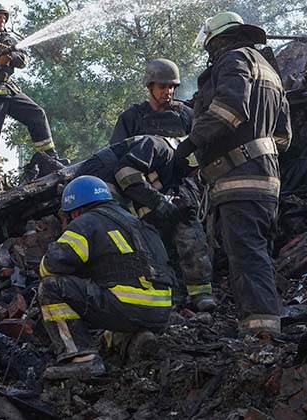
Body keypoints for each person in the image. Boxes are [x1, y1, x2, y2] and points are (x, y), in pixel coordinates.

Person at [174, 12, 292, 336]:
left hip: (240, 181)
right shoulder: (269, 70)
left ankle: (261, 335)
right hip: (267, 180)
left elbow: (230, 110)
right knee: (257, 254)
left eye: (211, 47)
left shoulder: (234, 59)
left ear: (219, 41)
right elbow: (284, 137)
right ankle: (262, 326)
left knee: (247, 257)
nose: (211, 54)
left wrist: (191, 145)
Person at [38, 175, 175, 379]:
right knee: (109, 324)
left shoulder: (85, 222)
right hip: (162, 311)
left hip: (127, 305)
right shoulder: (138, 223)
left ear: (75, 210)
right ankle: (131, 340)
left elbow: (51, 266)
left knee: (50, 287)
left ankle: (81, 360)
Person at [76, 135, 216, 312]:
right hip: (96, 182)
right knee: (123, 238)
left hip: (120, 192)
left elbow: (145, 205)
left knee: (171, 226)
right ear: (191, 159)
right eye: (195, 171)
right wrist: (162, 203)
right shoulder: (158, 146)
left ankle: (196, 291)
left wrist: (170, 211)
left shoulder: (173, 173)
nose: (193, 176)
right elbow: (127, 174)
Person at [0, 3, 64, 170]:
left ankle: (50, 159)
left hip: (9, 89)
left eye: (4, 17)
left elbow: (23, 59)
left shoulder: (9, 40)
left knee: (37, 114)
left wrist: (11, 56)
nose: (3, 20)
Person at [109, 59, 194, 144]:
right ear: (150, 87)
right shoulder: (131, 118)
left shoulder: (186, 115)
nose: (168, 92)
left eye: (171, 87)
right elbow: (116, 152)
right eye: (162, 86)